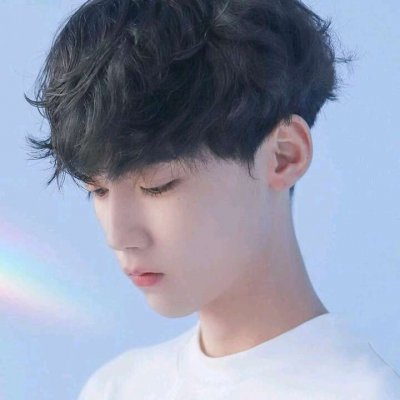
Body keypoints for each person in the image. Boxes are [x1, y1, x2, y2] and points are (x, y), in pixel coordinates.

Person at [25, 0, 400, 398]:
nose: (117, 236)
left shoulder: (360, 391)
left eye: (157, 185)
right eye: (97, 190)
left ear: (283, 156)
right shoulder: (116, 388)